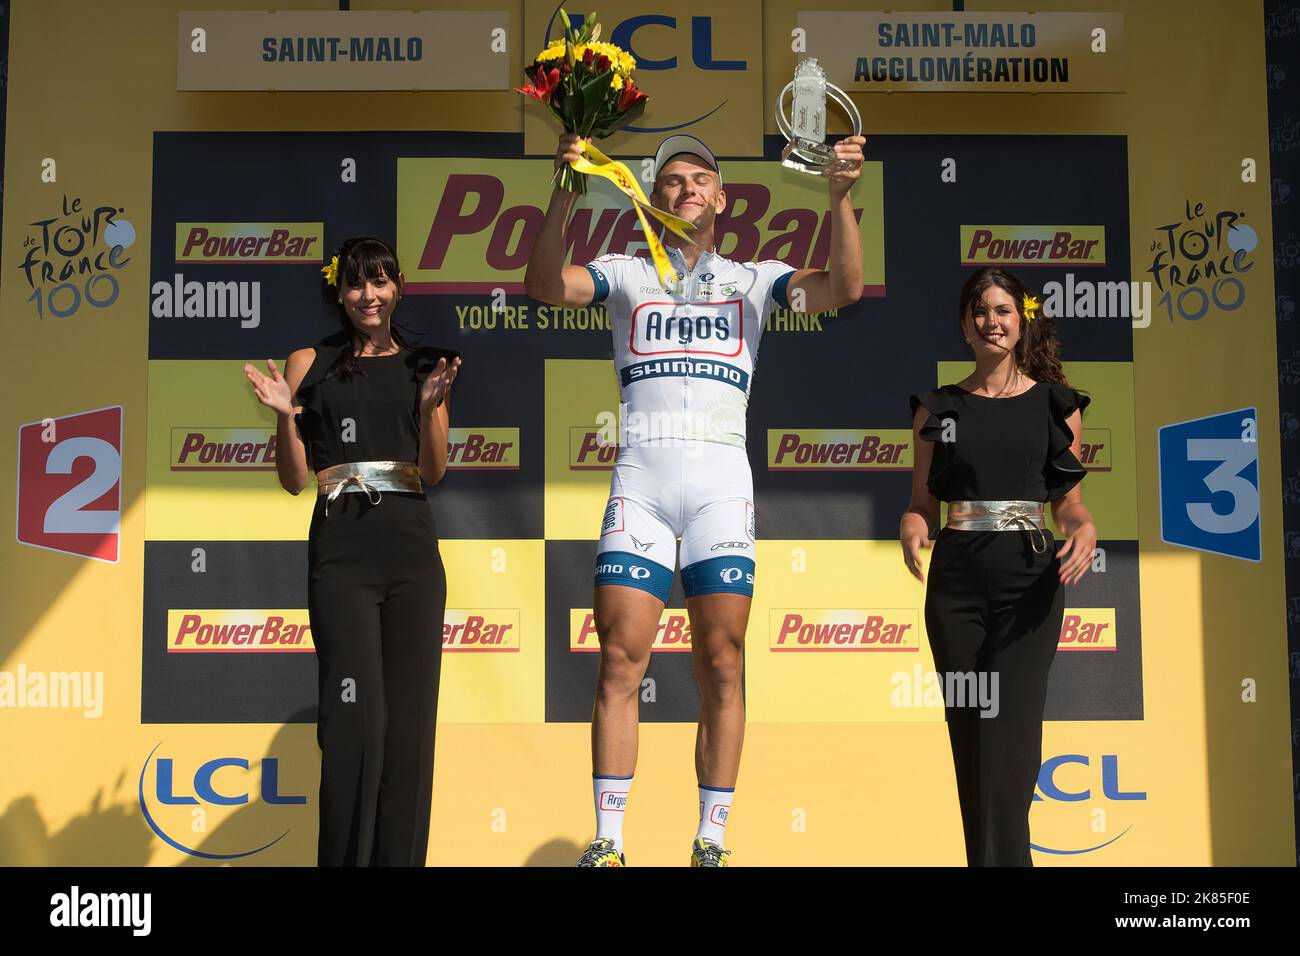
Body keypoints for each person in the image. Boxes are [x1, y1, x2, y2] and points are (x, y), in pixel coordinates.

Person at [526, 131, 867, 866]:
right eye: (671, 180)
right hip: (642, 488)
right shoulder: (622, 272)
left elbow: (843, 291)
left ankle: (710, 840)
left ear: (721, 199)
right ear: (654, 198)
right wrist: (565, 186)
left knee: (722, 661)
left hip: (719, 491)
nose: (685, 189)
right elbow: (544, 286)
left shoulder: (753, 280)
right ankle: (610, 842)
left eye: (698, 179)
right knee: (619, 659)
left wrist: (839, 201)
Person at [242, 236, 461, 866]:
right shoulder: (309, 362)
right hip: (342, 553)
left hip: (412, 554)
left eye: (381, 281)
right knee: (354, 724)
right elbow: (293, 478)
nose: (370, 295)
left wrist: (429, 408)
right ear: (339, 292)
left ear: (398, 287)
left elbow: (435, 471)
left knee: (410, 730)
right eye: (357, 284)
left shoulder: (430, 366)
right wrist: (286, 415)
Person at [900, 266, 1097, 866]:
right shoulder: (940, 408)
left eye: (1004, 310)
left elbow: (1069, 503)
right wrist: (913, 527)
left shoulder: (1054, 406)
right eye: (981, 311)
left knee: (1009, 744)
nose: (992, 320)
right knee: (973, 743)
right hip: (956, 583)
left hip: (1029, 582)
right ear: (965, 326)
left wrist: (1084, 528)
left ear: (1021, 322)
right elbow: (920, 503)